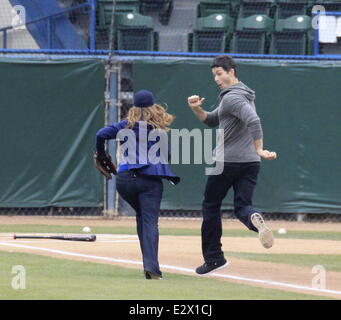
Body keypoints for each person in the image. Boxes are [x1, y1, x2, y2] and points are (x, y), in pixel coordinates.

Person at [187, 55, 277, 275]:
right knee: (243, 207)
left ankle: (214, 259)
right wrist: (196, 108)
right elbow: (211, 120)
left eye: (219, 74)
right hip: (250, 163)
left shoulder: (232, 98)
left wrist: (259, 147)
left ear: (231, 71)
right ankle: (255, 221)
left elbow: (254, 120)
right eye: (214, 75)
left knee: (210, 207)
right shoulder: (241, 95)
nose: (216, 79)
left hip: (226, 162)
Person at [96, 90, 180, 280]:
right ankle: (151, 267)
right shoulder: (158, 129)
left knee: (141, 216)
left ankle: (149, 265)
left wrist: (101, 155)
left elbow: (100, 134)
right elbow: (169, 156)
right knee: (149, 221)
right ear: (153, 107)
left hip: (125, 180)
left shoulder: (125, 125)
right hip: (149, 180)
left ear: (134, 107)